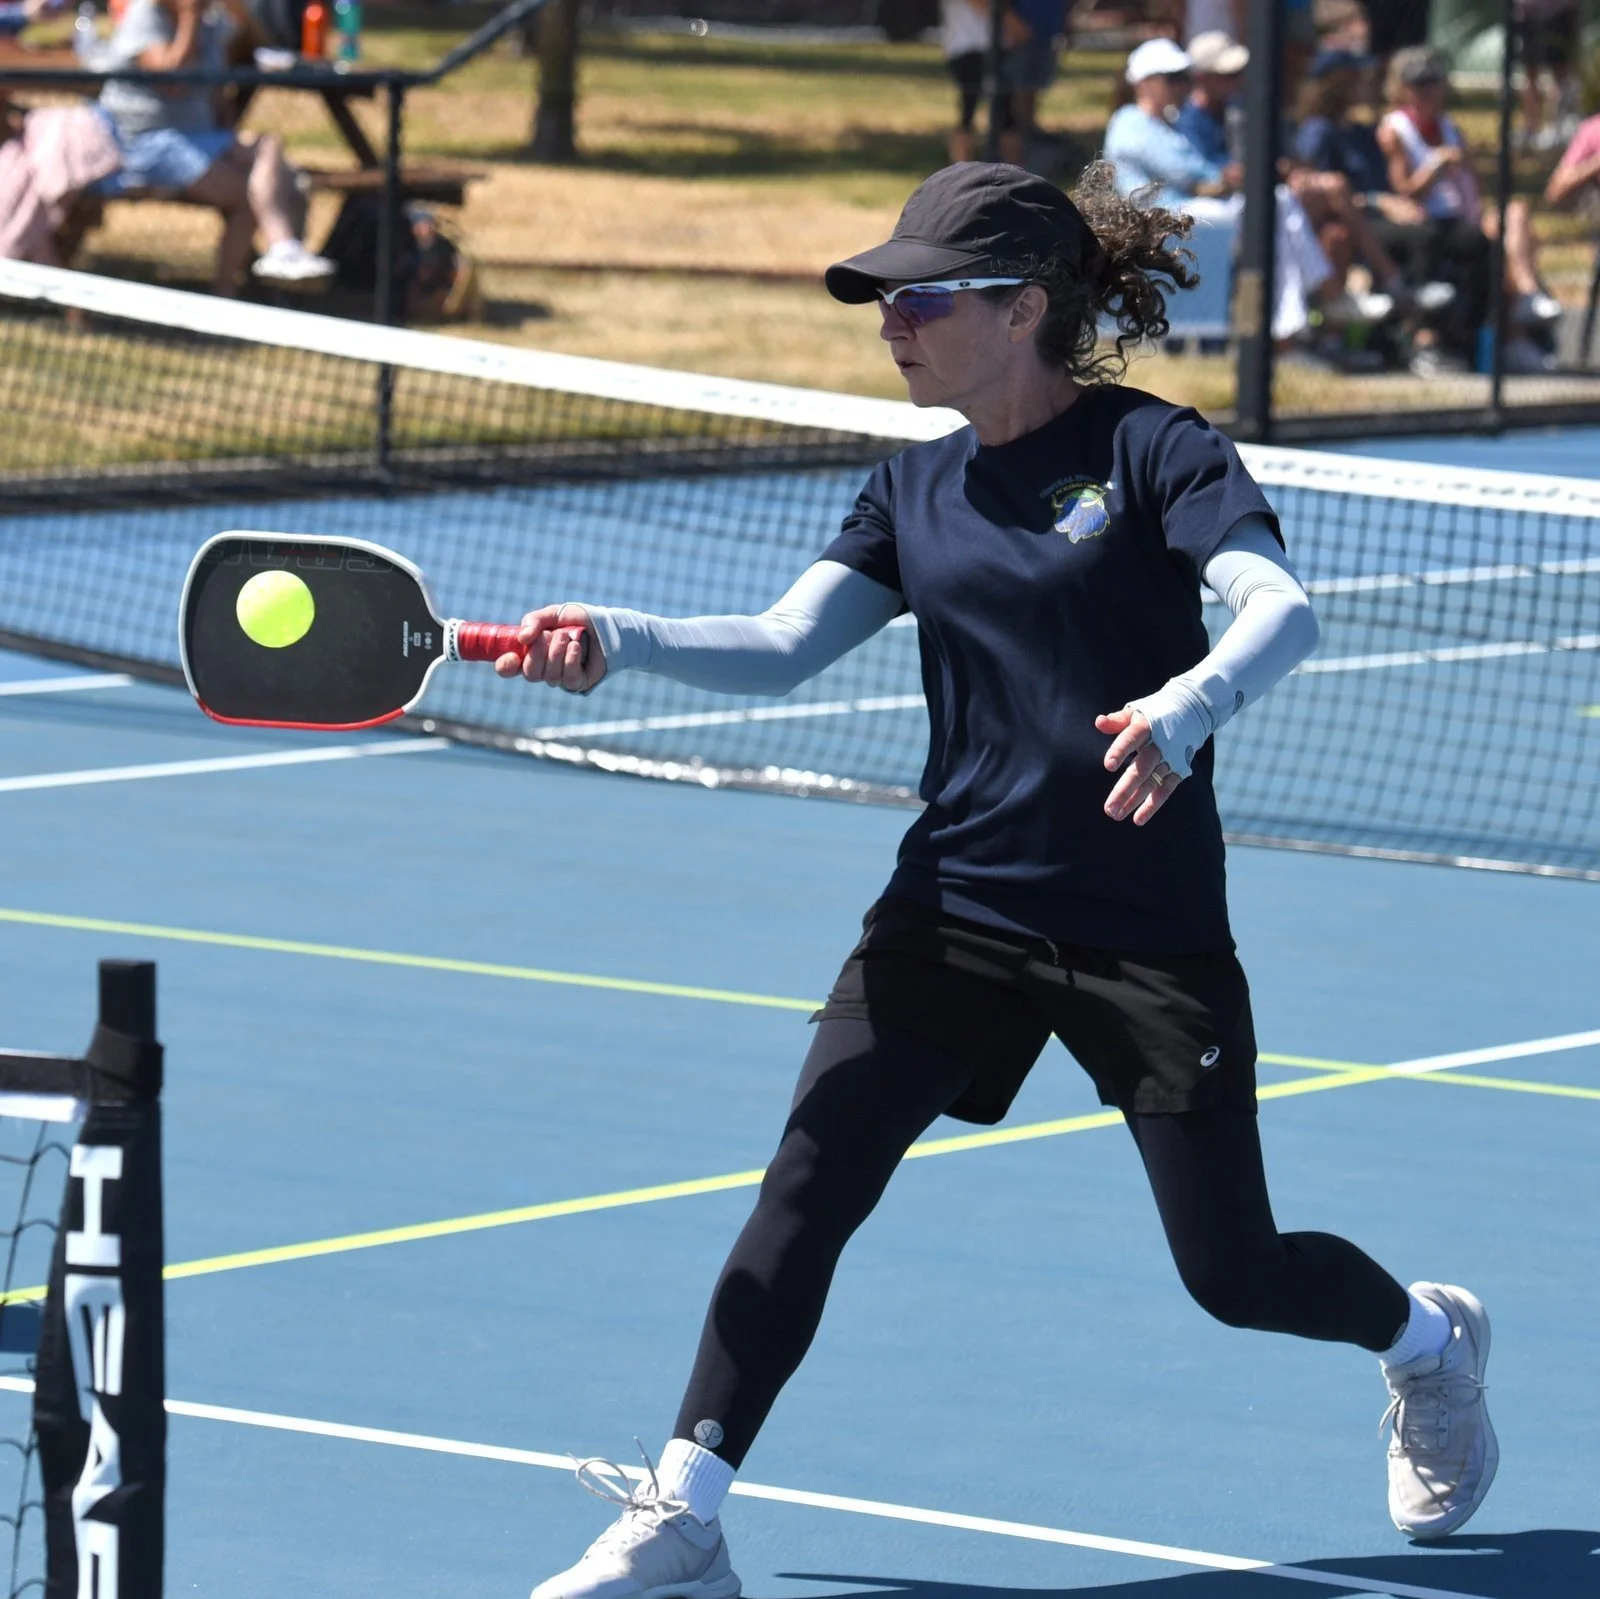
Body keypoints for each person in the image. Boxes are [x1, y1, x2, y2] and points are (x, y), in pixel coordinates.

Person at [511, 159, 1499, 1599]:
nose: (891, 321)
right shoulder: (911, 484)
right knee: (811, 1179)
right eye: (885, 299)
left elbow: (1283, 609)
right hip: (955, 905)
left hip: (1142, 929)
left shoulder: (1157, 452)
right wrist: (621, 633)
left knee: (1232, 1269)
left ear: (1025, 307)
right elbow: (788, 640)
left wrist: (1189, 706)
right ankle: (686, 1511)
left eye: (922, 297)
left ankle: (1425, 1340)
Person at [1105, 38, 1389, 347]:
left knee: (1277, 210)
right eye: (1172, 78)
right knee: (1273, 211)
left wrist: (1230, 177)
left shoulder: (1167, 123)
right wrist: (1230, 176)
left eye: (1183, 78)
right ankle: (1320, 306)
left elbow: (1200, 173)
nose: (1181, 87)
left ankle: (1295, 326)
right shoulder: (1130, 121)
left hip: (1192, 210)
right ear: (1144, 82)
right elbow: (1186, 171)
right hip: (1162, 218)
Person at [91, 0, 333, 293]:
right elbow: (172, 80)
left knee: (269, 152)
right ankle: (233, 288)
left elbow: (233, 67)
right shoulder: (147, 14)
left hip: (196, 136)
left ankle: (282, 250)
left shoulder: (211, 22)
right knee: (252, 193)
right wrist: (189, 17)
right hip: (143, 143)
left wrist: (234, 12)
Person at [1377, 45, 1561, 371]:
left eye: (1434, 82)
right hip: (1428, 221)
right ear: (1403, 88)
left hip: (1462, 216)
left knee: (1514, 214)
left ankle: (1525, 305)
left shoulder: (1451, 128)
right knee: (1481, 244)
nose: (1430, 91)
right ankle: (1509, 334)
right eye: (1420, 84)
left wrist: (1480, 211)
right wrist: (1436, 165)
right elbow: (1404, 191)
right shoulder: (1395, 130)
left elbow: (1476, 188)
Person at [939, 0, 1022, 166]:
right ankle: (959, 169)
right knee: (968, 113)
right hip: (968, 49)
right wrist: (1012, 22)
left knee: (1007, 116)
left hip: (997, 50)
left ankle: (1015, 171)